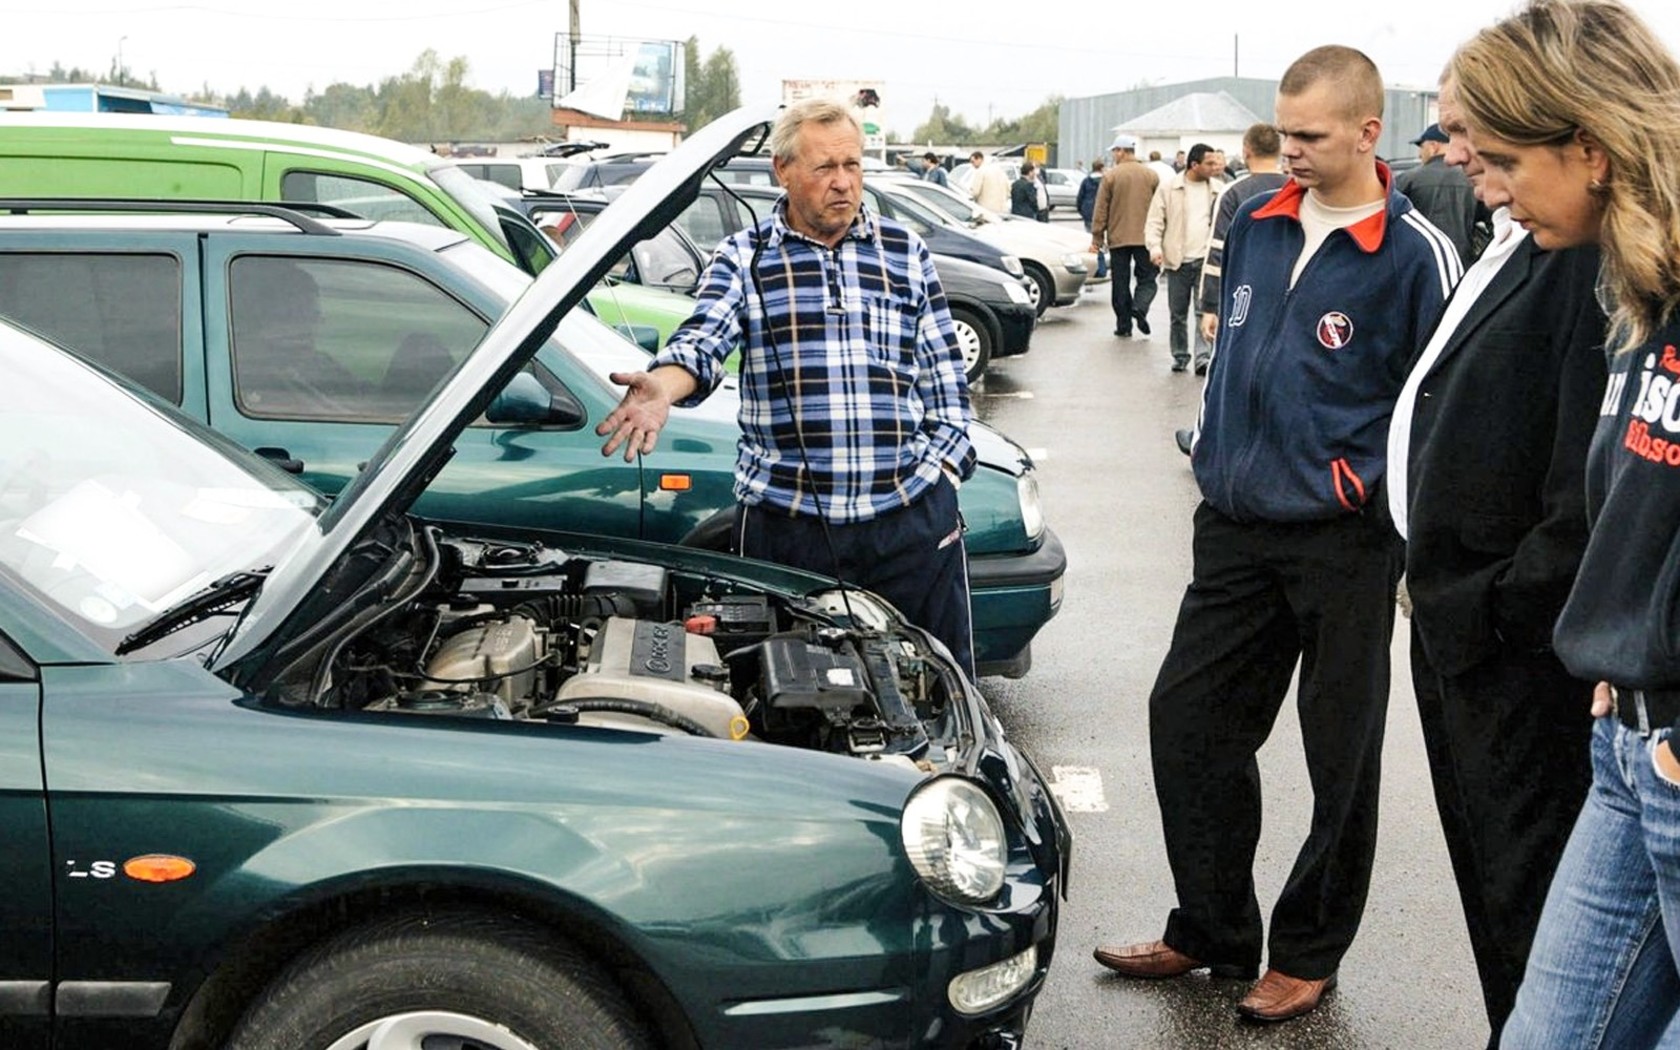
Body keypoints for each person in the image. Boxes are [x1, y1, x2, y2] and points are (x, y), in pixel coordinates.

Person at [1092, 44, 1461, 1024]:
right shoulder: (1252, 217)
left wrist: (1365, 488)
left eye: (1309, 136)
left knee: (1341, 758)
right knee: (1189, 723)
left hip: (1343, 541)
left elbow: (1442, 409)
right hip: (1235, 527)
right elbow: (1232, 348)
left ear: (1366, 132)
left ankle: (1307, 952)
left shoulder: (1414, 253)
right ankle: (1212, 928)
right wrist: (1214, 449)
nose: (1287, 151)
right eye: (1283, 133)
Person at [1447, 3, 1680, 1045]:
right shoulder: (1641, 292)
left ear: (1588, 146)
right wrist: (1618, 634)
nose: (1483, 183)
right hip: (1625, 743)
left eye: (1502, 157)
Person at [595, 99, 978, 676]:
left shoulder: (904, 251)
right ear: (783, 170)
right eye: (825, 168)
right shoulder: (744, 258)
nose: (844, 184)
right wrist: (662, 388)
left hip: (910, 523)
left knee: (937, 686)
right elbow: (702, 342)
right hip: (791, 533)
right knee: (795, 701)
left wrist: (944, 473)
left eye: (853, 165)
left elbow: (944, 375)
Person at [1386, 69, 1604, 1049]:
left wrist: (1485, 611)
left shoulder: (1581, 259)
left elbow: (1587, 497)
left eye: (1482, 132)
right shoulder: (1525, 237)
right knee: (1500, 896)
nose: (1459, 149)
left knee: (1536, 914)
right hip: (1466, 627)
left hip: (1514, 649)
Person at [1175, 124, 1289, 456]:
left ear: (1247, 150)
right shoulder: (1298, 188)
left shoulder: (1234, 193)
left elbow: (1216, 254)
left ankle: (1204, 438)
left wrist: (1209, 306)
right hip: (1289, 292)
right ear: (1279, 150)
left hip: (1244, 296)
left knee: (1225, 370)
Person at [1146, 142, 1223, 373]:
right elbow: (1155, 221)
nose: (1214, 166)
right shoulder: (1169, 188)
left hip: (1207, 260)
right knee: (1177, 313)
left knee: (1204, 310)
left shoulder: (1219, 190)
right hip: (1177, 260)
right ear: (1194, 164)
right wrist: (1154, 248)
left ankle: (1203, 358)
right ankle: (1180, 355)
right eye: (1209, 163)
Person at [1090, 132, 1161, 338]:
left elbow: (1101, 208)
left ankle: (1123, 325)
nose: (1114, 155)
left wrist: (1097, 236)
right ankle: (1140, 306)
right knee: (1147, 277)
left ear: (1121, 151)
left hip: (1118, 238)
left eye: (1115, 151)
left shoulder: (1111, 176)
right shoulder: (1151, 176)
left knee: (1120, 281)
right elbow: (1159, 207)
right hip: (1145, 237)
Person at [1396, 123, 1490, 268]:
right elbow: (1494, 223)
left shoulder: (1407, 179)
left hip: (1416, 264)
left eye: (1422, 147)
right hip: (1463, 264)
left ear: (1434, 146)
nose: (1419, 154)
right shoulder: (1473, 180)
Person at [1077, 158, 1108, 279]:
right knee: (1103, 242)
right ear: (1101, 168)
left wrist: (1082, 211)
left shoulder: (1086, 181)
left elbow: (1080, 198)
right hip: (1104, 214)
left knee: (1093, 240)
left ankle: (1095, 267)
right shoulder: (1106, 181)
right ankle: (1102, 266)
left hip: (1089, 213)